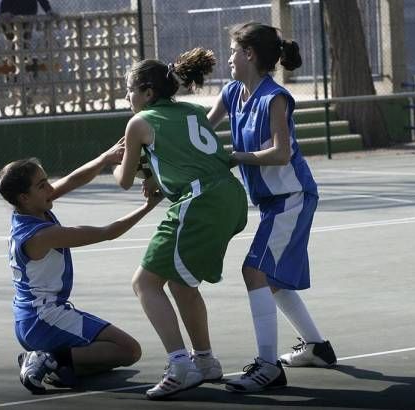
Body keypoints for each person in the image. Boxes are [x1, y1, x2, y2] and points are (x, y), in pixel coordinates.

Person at [207, 22, 337, 393]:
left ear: (249, 54)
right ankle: (316, 347)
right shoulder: (233, 93)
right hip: (271, 203)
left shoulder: (274, 98)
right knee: (271, 278)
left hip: (292, 197)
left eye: (233, 51)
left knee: (255, 271)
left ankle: (268, 367)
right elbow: (200, 128)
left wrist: (236, 157)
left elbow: (281, 154)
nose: (228, 58)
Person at [112, 48, 248, 400]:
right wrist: (156, 174)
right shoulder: (192, 110)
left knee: (145, 283)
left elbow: (124, 180)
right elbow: (189, 154)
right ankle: (204, 362)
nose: (127, 97)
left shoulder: (138, 123)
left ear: (146, 93)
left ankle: (180, 366)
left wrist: (116, 161)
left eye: (130, 90)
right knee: (181, 285)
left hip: (199, 201)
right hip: (229, 195)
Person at [0, 145, 161, 393]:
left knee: (103, 360)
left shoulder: (29, 209)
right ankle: (45, 358)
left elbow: (73, 179)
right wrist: (149, 205)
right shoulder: (40, 235)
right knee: (129, 351)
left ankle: (54, 365)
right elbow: (107, 233)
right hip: (44, 318)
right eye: (42, 185)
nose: (50, 188)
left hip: (31, 317)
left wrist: (105, 158)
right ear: (24, 197)